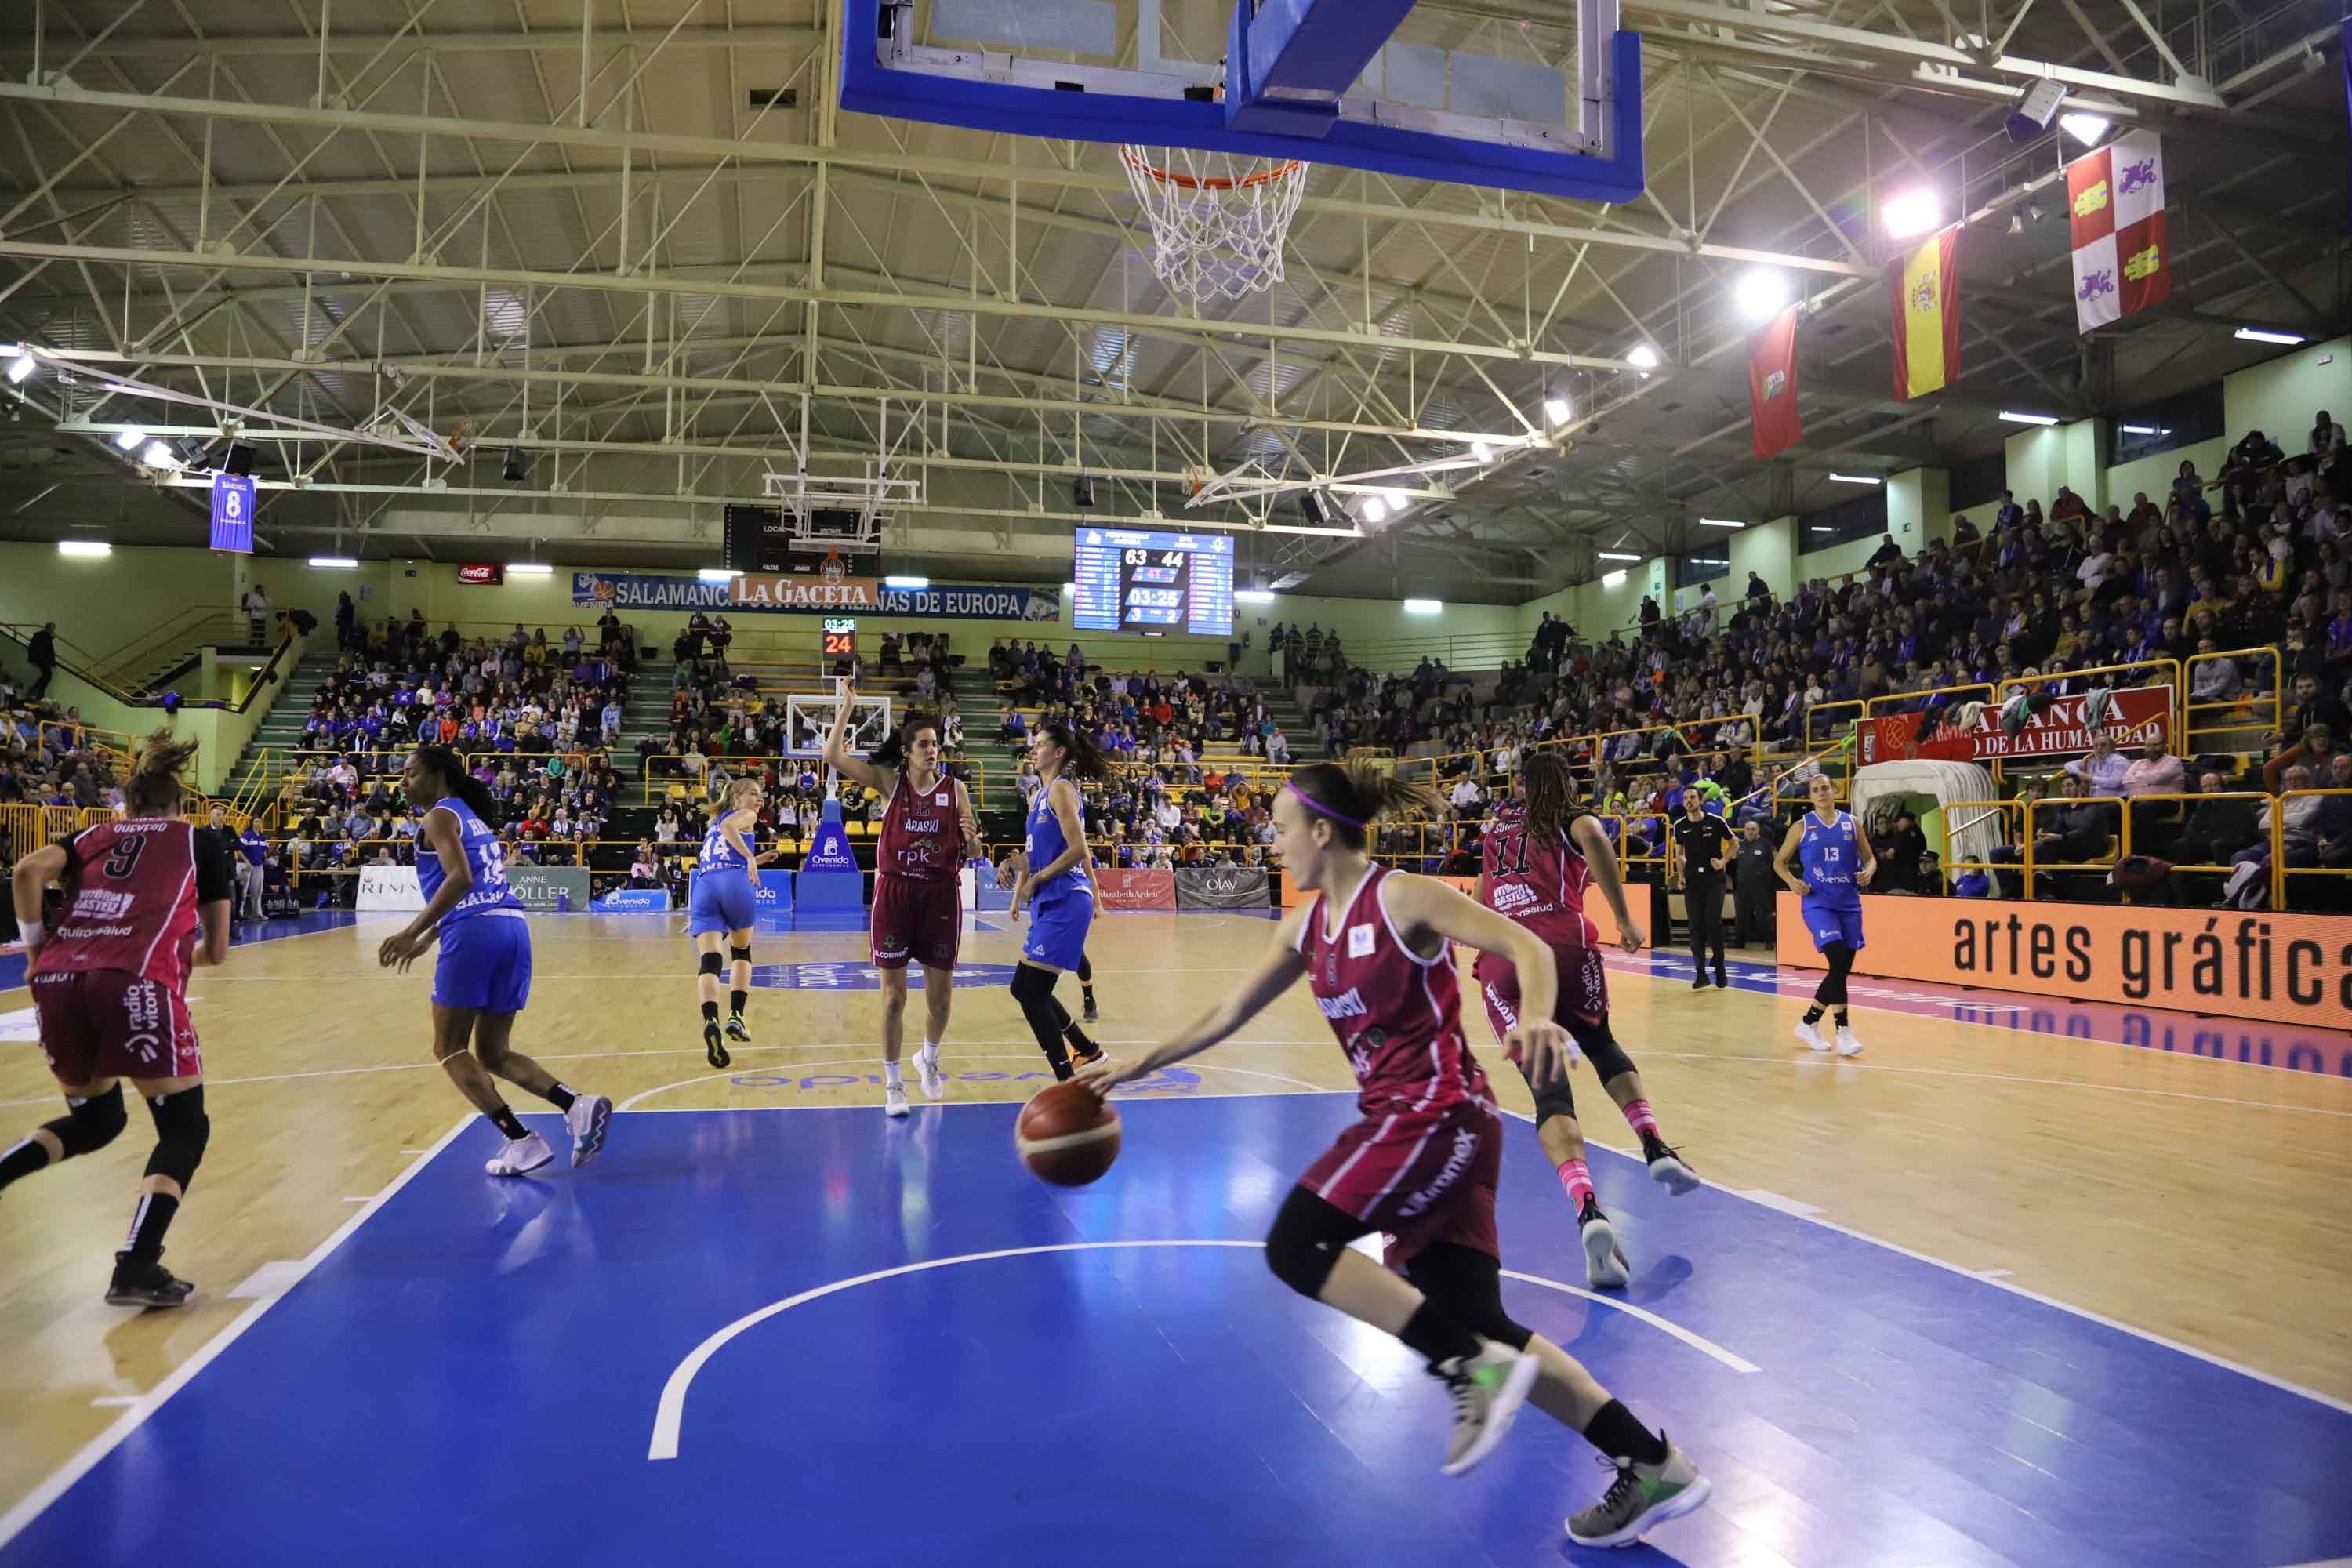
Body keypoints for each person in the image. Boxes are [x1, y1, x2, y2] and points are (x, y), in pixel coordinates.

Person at [1079, 760, 1708, 1548]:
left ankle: (1462, 1367)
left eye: (1278, 825)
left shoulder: (1402, 893)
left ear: (1319, 829)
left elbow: (1525, 946)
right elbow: (1228, 1011)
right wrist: (1136, 1063)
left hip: (1436, 1114)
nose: (1271, 840)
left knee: (1297, 1242)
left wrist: (1541, 1018)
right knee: (1482, 1319)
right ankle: (1649, 1461)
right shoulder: (1305, 927)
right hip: (1431, 1130)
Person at [2, 730, 228, 1307]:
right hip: (132, 980)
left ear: (127, 805)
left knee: (98, 1120)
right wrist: (175, 953)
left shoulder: (93, 834)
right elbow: (218, 950)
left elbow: (26, 872)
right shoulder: (199, 842)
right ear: (181, 807)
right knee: (183, 1128)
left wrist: (34, 954)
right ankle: (136, 1265)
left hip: (57, 980)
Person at [1475, 752, 1698, 1293]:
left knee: (1549, 1094)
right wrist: (1622, 917)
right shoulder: (1574, 821)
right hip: (1568, 947)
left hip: (1504, 960)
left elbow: (1481, 905)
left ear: (1523, 787)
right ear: (1567, 784)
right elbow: (1596, 838)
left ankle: (1588, 1208)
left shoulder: (1495, 834)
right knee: (1601, 1044)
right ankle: (1652, 1144)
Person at [375, 745, 610, 1177]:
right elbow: (480, 886)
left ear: (438, 775)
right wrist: (431, 935)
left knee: (448, 1048)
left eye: (410, 773)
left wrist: (411, 931)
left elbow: (461, 879)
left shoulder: (438, 816)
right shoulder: (470, 814)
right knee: (493, 1051)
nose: (402, 781)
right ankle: (575, 1105)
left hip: (475, 932)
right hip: (511, 928)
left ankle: (520, 1140)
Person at [825, 685, 981, 1117]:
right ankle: (893, 1083)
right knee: (894, 998)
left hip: (941, 897)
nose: (932, 750)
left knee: (941, 1001)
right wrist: (848, 707)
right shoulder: (889, 784)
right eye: (924, 745)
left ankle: (928, 1059)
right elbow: (834, 758)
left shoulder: (956, 791)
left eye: (935, 744)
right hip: (895, 894)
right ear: (908, 751)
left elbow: (975, 856)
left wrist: (973, 841)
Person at [1002, 718, 1109, 1080]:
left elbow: (1079, 850)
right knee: (1022, 988)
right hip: (1050, 901)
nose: (1034, 749)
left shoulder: (1063, 790)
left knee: (1033, 994)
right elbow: (1036, 856)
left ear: (1059, 752)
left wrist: (1040, 879)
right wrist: (1013, 866)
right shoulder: (1038, 797)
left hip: (1067, 899)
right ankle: (1087, 1049)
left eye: (1042, 744)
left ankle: (1066, 1078)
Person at [1773, 774, 1875, 1057]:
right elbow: (1779, 862)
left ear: (1834, 791)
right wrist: (1792, 881)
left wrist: (1869, 871)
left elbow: (1870, 857)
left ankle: (1809, 1023)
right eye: (1815, 790)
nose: (1821, 793)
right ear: (1810, 796)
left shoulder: (1853, 823)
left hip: (1849, 902)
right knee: (1838, 959)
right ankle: (1843, 1031)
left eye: (1825, 788)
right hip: (1818, 903)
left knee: (1841, 969)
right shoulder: (1801, 826)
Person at [685, 778, 780, 1069]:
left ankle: (710, 1020)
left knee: (710, 960)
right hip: (734, 884)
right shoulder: (745, 816)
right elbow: (734, 837)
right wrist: (751, 858)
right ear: (737, 796)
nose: (758, 800)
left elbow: (723, 851)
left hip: (704, 887)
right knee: (741, 952)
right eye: (753, 793)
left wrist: (757, 858)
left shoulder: (714, 822)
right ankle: (736, 1017)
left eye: (761, 796)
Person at [1668, 790, 1733, 989]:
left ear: (1700, 800)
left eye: (1692, 797)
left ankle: (1720, 969)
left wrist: (1723, 861)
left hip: (1714, 879)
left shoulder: (1716, 821)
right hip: (1693, 880)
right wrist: (1681, 876)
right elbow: (1679, 854)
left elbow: (1734, 843)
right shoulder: (1680, 826)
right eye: (1686, 798)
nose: (1689, 801)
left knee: (1713, 922)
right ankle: (1701, 974)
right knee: (1695, 926)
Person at [234, 817, 270, 920]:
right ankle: (239, 914)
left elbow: (264, 852)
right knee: (243, 891)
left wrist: (266, 859)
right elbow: (238, 850)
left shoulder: (263, 837)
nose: (258, 823)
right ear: (252, 823)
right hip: (245, 866)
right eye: (256, 822)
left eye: (259, 822)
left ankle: (258, 913)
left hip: (258, 866)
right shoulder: (247, 835)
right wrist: (247, 862)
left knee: (258, 890)